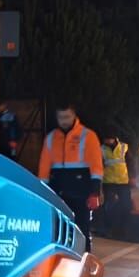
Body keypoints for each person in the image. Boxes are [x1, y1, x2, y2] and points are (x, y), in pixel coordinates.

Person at [38, 102, 103, 248]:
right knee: (56, 231)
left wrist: (95, 192)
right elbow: (43, 168)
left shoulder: (88, 136)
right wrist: (42, 191)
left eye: (67, 116)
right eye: (60, 117)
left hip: (81, 192)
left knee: (81, 231)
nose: (64, 120)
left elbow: (96, 166)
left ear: (74, 115)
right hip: (57, 193)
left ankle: (83, 263)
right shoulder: (51, 138)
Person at [100, 134, 131, 238]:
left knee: (126, 206)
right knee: (108, 207)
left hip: (123, 181)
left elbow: (130, 162)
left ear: (113, 138)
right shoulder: (102, 149)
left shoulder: (124, 147)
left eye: (107, 138)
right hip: (109, 182)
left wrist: (133, 176)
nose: (105, 140)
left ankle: (123, 229)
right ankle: (108, 229)